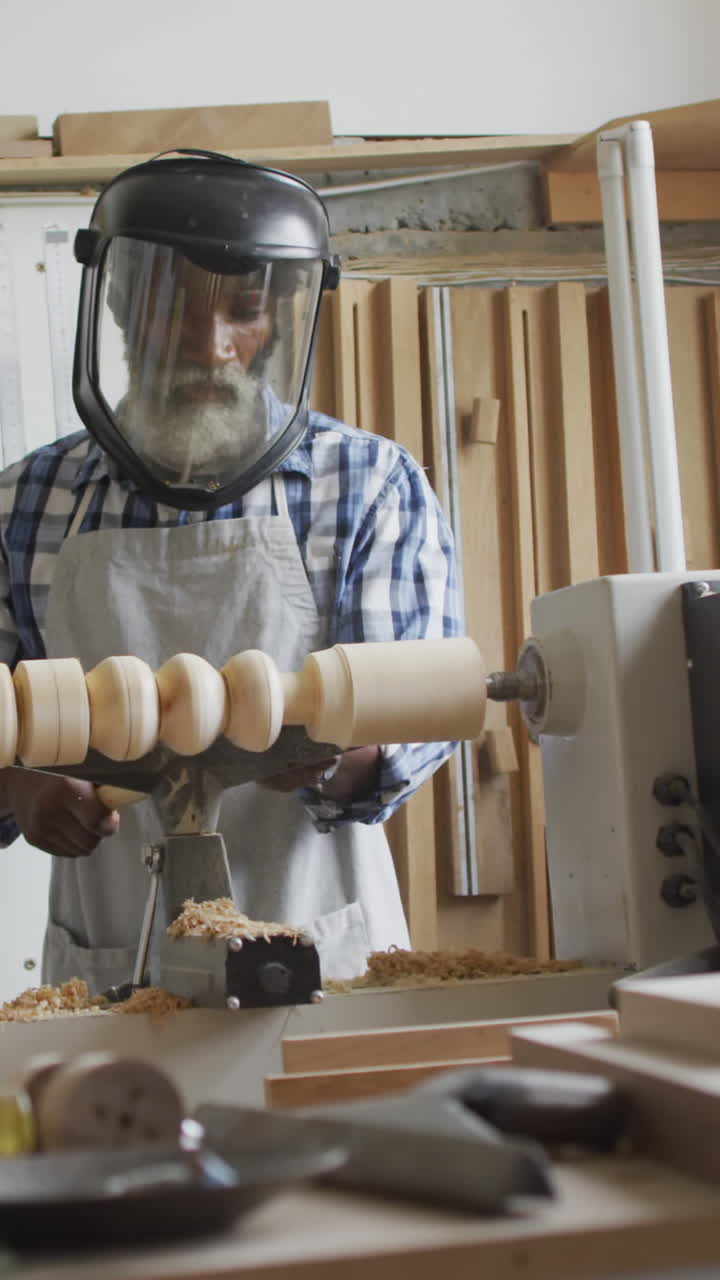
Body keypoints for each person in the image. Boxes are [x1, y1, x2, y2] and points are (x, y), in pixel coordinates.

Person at [0, 151, 461, 991]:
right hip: (110, 952)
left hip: (321, 938)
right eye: (174, 309)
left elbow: (418, 719)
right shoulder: (27, 501)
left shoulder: (367, 487)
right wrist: (25, 785)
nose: (211, 348)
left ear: (279, 319)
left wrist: (336, 753)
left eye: (243, 314)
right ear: (117, 303)